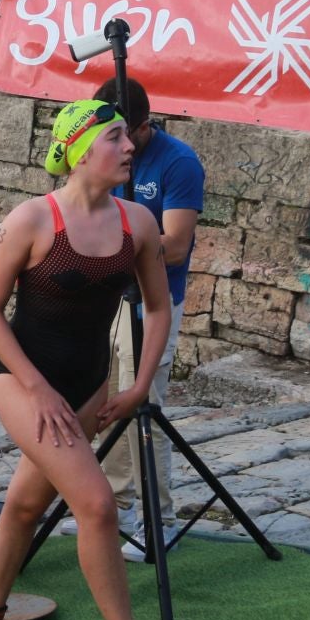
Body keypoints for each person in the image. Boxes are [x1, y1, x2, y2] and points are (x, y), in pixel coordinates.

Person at [0, 100, 169, 620]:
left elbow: (157, 310)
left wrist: (136, 388)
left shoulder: (139, 224)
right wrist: (36, 388)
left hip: (89, 387)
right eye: (115, 137)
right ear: (80, 150)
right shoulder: (32, 220)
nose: (130, 146)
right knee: (98, 505)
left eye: (129, 137)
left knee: (27, 505)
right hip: (23, 386)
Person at [83, 81, 203, 562]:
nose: (120, 146)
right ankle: (115, 511)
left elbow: (174, 245)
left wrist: (111, 251)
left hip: (153, 303)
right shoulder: (103, 157)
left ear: (144, 125)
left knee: (143, 408)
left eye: (122, 134)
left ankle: (160, 522)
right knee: (105, 402)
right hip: (107, 300)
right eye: (108, 136)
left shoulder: (178, 162)